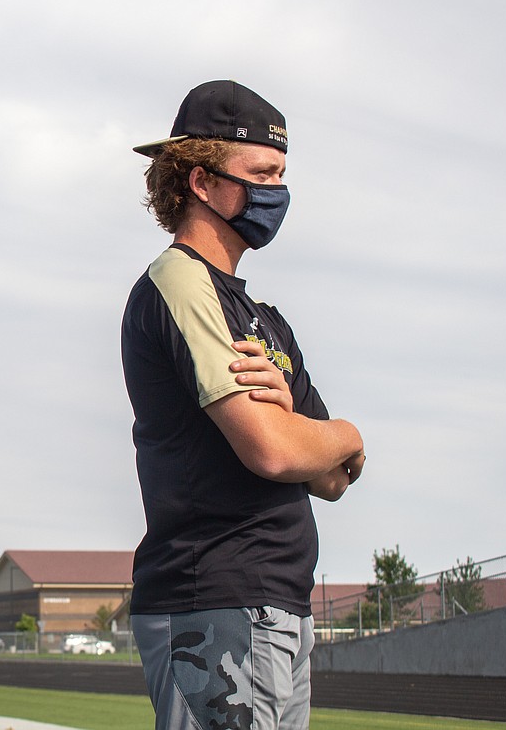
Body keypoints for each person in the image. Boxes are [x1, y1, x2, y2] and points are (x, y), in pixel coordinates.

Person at [120, 80, 365, 729]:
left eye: (282, 175)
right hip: (220, 601)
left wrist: (319, 437)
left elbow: (336, 477)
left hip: (278, 607)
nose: (276, 193)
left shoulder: (265, 321)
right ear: (200, 181)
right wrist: (340, 430)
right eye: (261, 173)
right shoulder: (179, 281)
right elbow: (274, 449)